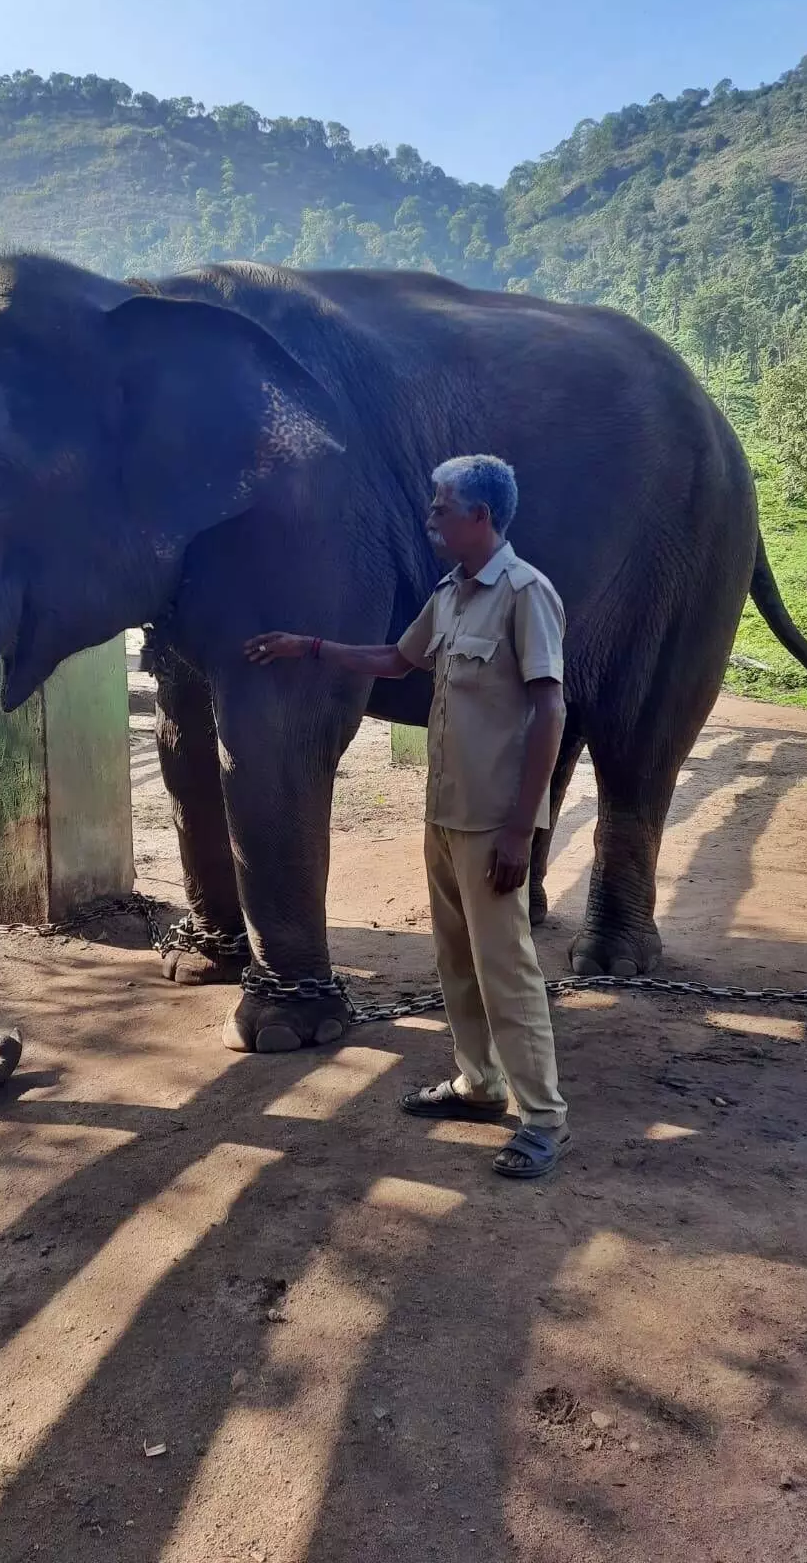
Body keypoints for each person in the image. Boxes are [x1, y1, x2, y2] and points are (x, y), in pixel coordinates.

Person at [244, 455, 570, 1179]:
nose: (430, 515)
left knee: (505, 967)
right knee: (456, 960)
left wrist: (522, 829)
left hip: (493, 823)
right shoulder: (453, 594)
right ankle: (478, 1084)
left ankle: (542, 1117)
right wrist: (312, 647)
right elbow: (397, 659)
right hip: (447, 814)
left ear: (480, 517)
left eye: (442, 505)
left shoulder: (525, 594)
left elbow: (550, 706)